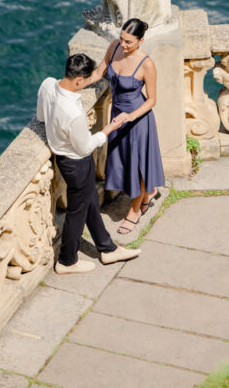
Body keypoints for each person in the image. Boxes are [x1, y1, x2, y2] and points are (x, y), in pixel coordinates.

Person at [37, 53, 141, 273]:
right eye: (87, 79)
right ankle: (67, 261)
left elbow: (41, 117)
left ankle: (107, 248)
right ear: (78, 80)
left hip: (64, 160)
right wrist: (108, 129)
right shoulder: (73, 113)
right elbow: (85, 147)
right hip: (78, 163)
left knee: (90, 199)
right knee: (77, 211)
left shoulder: (47, 85)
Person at [82, 17, 164, 235]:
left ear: (141, 41)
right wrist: (77, 84)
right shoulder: (114, 46)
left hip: (137, 121)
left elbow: (152, 100)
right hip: (117, 116)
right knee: (124, 163)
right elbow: (100, 71)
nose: (124, 45)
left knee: (138, 167)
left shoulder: (146, 64)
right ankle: (148, 193)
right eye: (122, 39)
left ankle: (135, 210)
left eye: (129, 42)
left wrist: (131, 117)